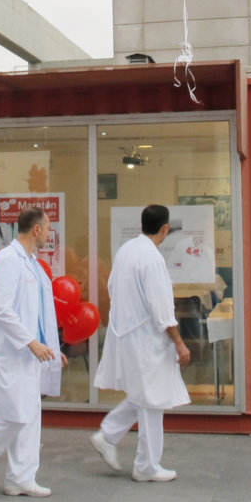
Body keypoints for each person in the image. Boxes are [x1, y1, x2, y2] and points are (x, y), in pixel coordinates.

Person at [0, 206, 66, 497]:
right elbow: (3, 311)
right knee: (16, 413)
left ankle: (19, 478)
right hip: (12, 352)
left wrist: (50, 348)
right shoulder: (8, 261)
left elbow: (40, 313)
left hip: (30, 354)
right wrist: (31, 342)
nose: (48, 233)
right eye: (47, 227)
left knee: (30, 415)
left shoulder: (32, 263)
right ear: (36, 229)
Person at [91, 204, 191, 482]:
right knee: (152, 400)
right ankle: (146, 465)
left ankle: (108, 435)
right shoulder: (152, 259)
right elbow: (161, 309)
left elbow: (111, 287)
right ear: (165, 228)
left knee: (143, 394)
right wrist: (180, 343)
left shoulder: (126, 251)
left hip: (126, 334)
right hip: (148, 340)